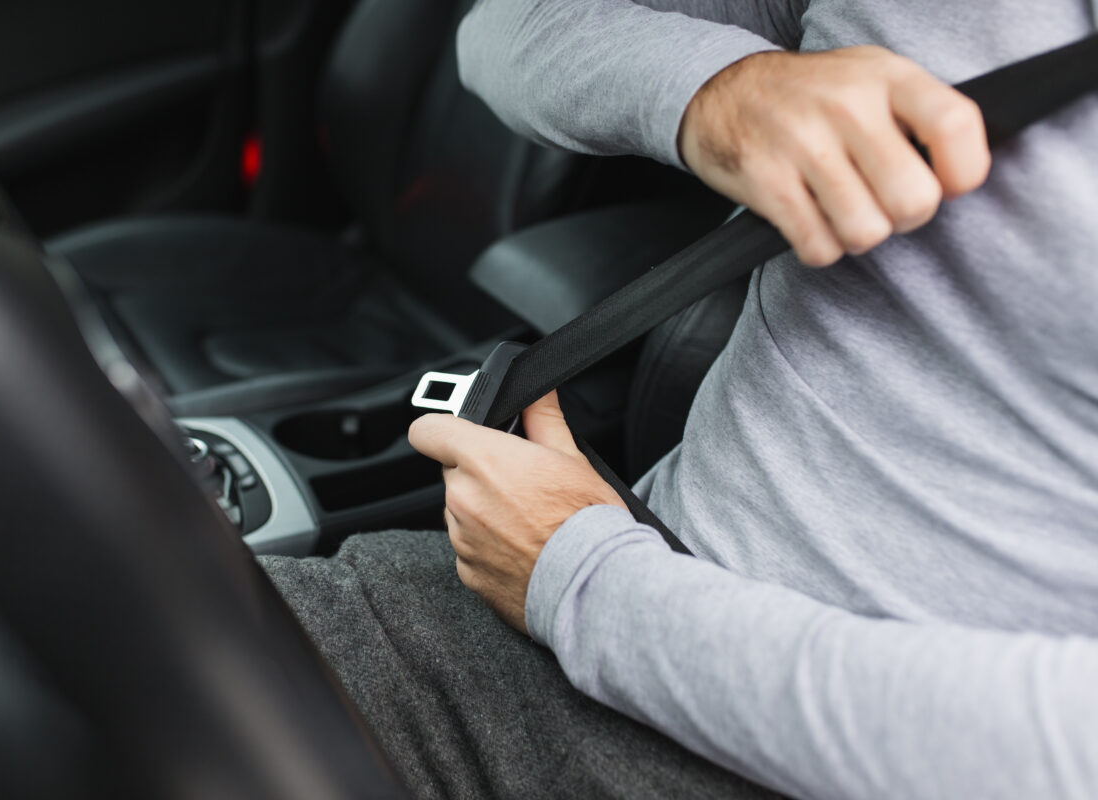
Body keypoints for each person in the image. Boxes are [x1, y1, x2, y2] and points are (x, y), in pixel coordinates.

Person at [262, 1, 1098, 797]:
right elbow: (509, 29)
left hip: (790, 730)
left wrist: (583, 582)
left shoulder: (585, 585)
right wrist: (721, 94)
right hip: (589, 580)